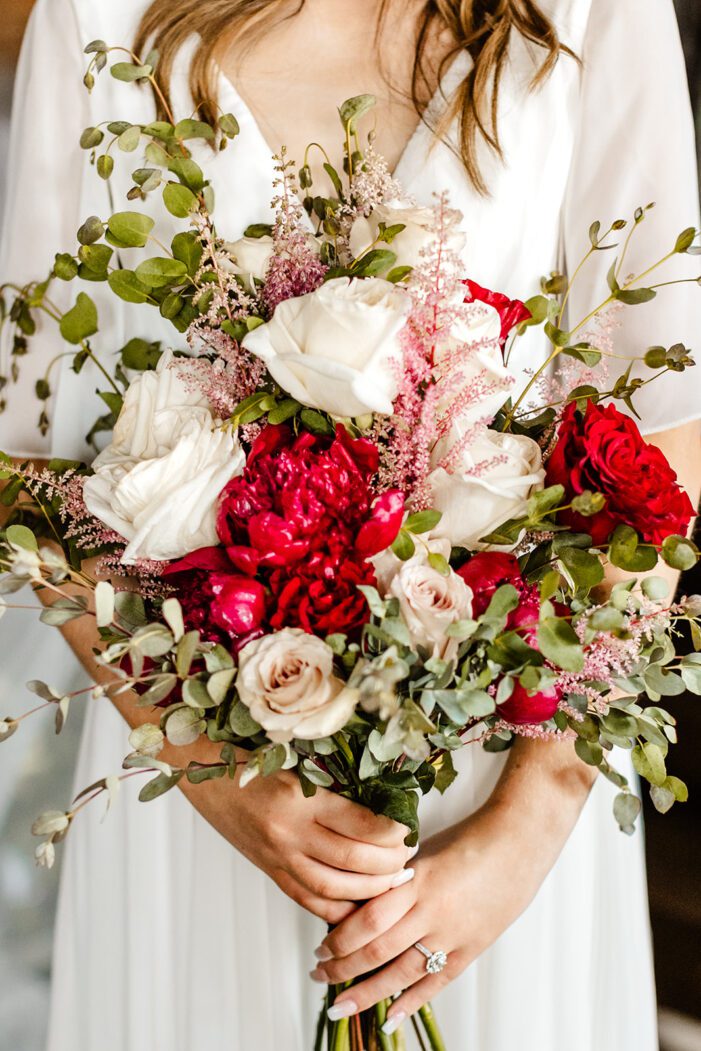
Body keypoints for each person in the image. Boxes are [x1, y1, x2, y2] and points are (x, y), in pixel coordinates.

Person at [1, 1, 700, 1048]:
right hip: (205, 787)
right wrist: (221, 780)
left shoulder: (592, 10)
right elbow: (30, 466)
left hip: (498, 778)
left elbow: (661, 448)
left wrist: (521, 828)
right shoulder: (93, 15)